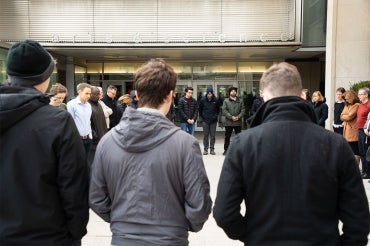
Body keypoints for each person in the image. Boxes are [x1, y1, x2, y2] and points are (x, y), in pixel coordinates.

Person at [213, 62, 370, 245]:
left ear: (264, 96)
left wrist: (253, 236)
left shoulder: (243, 144)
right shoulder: (335, 145)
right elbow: (358, 221)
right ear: (302, 95)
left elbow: (224, 213)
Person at [89, 58, 212, 246]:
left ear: (137, 95)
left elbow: (97, 198)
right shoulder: (185, 144)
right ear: (170, 95)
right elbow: (199, 206)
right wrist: (176, 227)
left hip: (123, 238)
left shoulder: (107, 142)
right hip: (170, 239)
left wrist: (123, 222)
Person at [0, 40, 89, 245]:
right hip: (48, 235)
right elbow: (74, 186)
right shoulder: (57, 121)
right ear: (45, 77)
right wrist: (75, 233)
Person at [67, 82, 92, 157]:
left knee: (86, 163)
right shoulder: (71, 104)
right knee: (77, 164)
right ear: (79, 92)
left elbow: (88, 121)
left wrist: (90, 136)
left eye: (90, 94)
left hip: (88, 139)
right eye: (86, 93)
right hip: (77, 140)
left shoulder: (88, 105)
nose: (89, 96)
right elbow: (70, 123)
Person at [221, 86, 245, 155]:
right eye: (232, 91)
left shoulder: (240, 101)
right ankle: (226, 150)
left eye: (234, 91)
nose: (233, 92)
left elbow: (243, 110)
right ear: (229, 92)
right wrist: (231, 117)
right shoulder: (226, 101)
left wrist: (238, 116)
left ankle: (239, 150)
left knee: (239, 137)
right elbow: (224, 110)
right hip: (229, 122)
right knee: (227, 137)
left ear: (236, 92)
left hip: (238, 122)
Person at [88, 86, 108, 165]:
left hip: (102, 136)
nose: (98, 96)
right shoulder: (88, 105)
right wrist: (94, 133)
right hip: (94, 140)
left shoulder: (99, 104)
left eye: (99, 94)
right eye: (96, 94)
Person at [340, 90, 361, 164]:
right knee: (350, 150)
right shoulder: (347, 105)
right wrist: (344, 116)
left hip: (353, 131)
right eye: (345, 98)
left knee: (355, 150)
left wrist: (344, 116)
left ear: (352, 97)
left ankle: (356, 168)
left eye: (348, 98)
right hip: (346, 131)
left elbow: (349, 117)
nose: (346, 100)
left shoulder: (357, 105)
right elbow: (341, 116)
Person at [199, 86, 220, 155]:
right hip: (205, 121)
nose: (209, 95)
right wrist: (203, 118)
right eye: (208, 94)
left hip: (213, 121)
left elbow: (218, 110)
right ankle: (205, 149)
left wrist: (215, 116)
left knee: (212, 136)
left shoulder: (216, 100)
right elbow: (200, 110)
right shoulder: (203, 100)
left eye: (210, 94)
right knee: (205, 135)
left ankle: (212, 149)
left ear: (212, 93)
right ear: (207, 93)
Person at [357, 87, 370, 179]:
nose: (359, 96)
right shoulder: (360, 105)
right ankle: (364, 171)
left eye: (361, 94)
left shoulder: (369, 105)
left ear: (366, 95)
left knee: (366, 152)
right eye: (358, 94)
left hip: (366, 131)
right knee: (361, 151)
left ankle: (368, 172)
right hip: (359, 130)